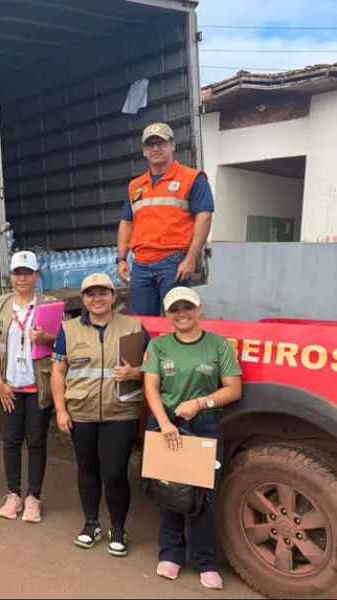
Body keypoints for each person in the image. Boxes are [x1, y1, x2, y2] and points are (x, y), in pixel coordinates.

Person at [143, 287, 242, 591]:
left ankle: (205, 561)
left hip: (203, 425)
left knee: (204, 496)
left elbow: (233, 389)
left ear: (200, 309)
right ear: (167, 314)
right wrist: (164, 423)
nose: (181, 314)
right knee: (169, 490)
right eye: (175, 309)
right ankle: (171, 554)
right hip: (166, 423)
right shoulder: (159, 346)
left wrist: (200, 403)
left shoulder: (218, 345)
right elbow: (151, 388)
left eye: (187, 307)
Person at [51, 273, 149, 558]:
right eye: (91, 294)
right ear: (83, 299)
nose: (97, 299)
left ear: (113, 296)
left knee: (115, 472)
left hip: (121, 412)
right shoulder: (68, 330)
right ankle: (91, 523)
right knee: (87, 469)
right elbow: (58, 372)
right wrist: (60, 410)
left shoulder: (134, 327)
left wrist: (135, 373)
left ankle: (118, 529)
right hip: (81, 412)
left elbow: (154, 366)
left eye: (103, 293)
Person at [0, 251, 58, 523]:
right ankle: (13, 493)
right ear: (11, 277)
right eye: (18, 273)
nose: (22, 278)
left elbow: (63, 345)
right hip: (10, 385)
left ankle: (33, 497)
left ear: (37, 276)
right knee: (12, 440)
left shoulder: (50, 305)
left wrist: (47, 336)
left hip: (39, 385)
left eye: (28, 272)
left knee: (37, 442)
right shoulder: (0, 304)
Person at [117, 122, 214, 316]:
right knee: (141, 323)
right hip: (141, 264)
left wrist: (190, 259)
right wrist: (121, 259)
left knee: (178, 320)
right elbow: (127, 222)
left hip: (173, 263)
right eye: (150, 144)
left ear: (172, 145)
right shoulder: (135, 186)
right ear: (144, 151)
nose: (155, 148)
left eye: (160, 143)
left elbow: (204, 218)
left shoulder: (192, 178)